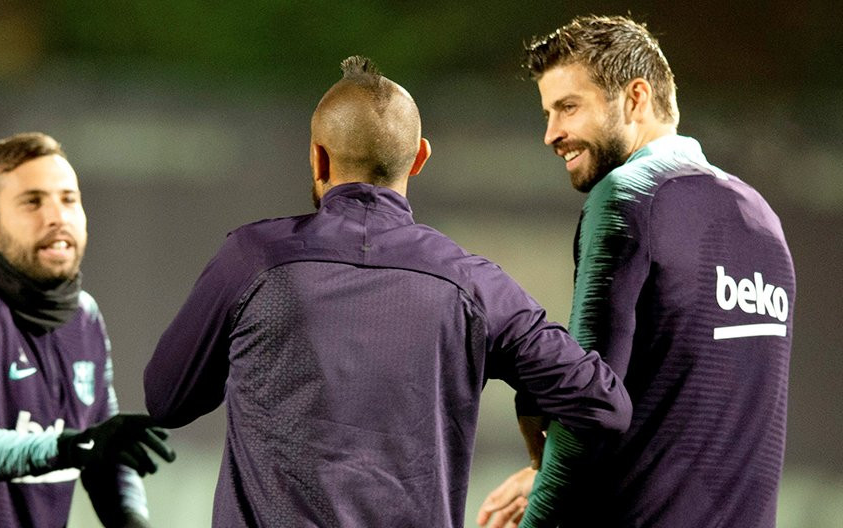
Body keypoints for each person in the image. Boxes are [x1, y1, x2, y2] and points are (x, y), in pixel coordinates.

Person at [144, 55, 630, 527]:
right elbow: (604, 403)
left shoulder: (253, 260)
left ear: (318, 157)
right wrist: (531, 393)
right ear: (419, 157)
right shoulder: (475, 286)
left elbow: (167, 398)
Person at [477, 15, 795, 528]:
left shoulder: (630, 194)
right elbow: (679, 403)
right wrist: (543, 470)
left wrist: (539, 517)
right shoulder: (761, 217)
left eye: (568, 108)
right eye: (548, 113)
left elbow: (589, 407)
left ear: (635, 98)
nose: (551, 134)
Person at [0, 132, 175, 528]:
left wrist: (133, 519)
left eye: (68, 199)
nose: (57, 216)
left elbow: (101, 450)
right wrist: (67, 446)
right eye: (33, 202)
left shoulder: (85, 316)